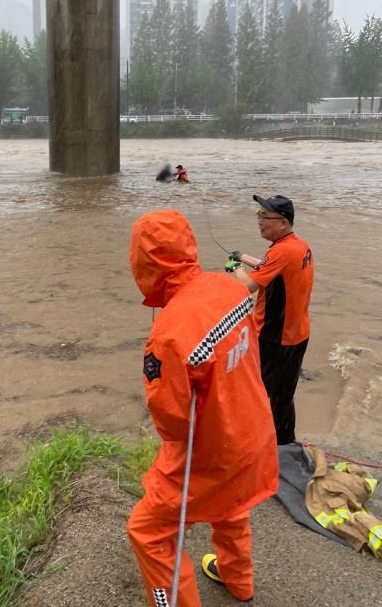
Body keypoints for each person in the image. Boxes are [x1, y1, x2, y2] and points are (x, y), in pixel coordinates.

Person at [128, 209, 278, 607]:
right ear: (188, 246)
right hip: (253, 433)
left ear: (143, 262)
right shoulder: (229, 287)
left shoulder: (169, 334)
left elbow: (173, 424)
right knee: (231, 506)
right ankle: (238, 580)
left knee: (148, 532)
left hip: (212, 452)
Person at [226, 194, 314, 445]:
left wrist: (234, 269)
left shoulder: (281, 252)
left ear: (283, 223)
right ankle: (285, 441)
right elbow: (271, 267)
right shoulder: (298, 246)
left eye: (265, 217)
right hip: (298, 332)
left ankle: (274, 447)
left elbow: (246, 287)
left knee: (267, 394)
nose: (259, 221)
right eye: (259, 215)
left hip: (276, 335)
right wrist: (243, 257)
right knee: (284, 394)